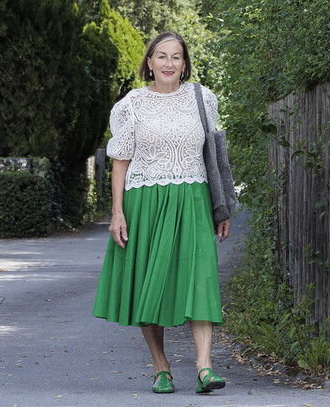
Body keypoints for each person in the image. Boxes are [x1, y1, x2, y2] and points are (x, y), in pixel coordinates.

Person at [92, 31, 232, 394]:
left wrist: (222, 207)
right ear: (149, 62)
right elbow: (120, 162)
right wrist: (118, 212)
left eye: (176, 57)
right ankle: (161, 368)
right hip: (146, 200)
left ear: (184, 64)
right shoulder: (132, 104)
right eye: (161, 56)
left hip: (194, 199)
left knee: (200, 278)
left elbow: (214, 159)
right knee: (149, 284)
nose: (169, 64)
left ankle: (204, 367)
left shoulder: (203, 99)